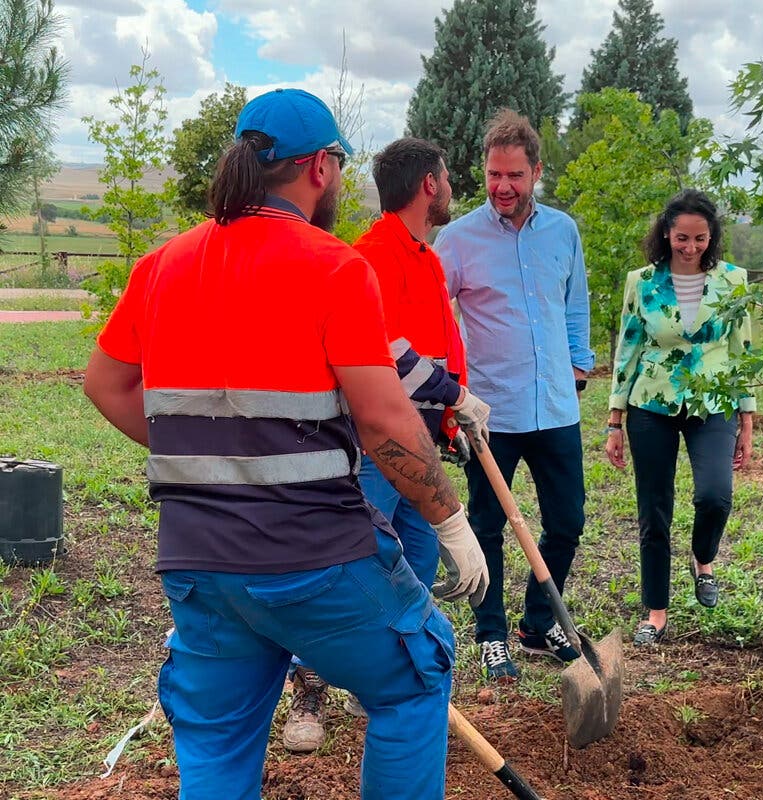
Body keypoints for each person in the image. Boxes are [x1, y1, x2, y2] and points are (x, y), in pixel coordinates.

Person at [82, 88, 489, 800]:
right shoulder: (332, 266)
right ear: (321, 169)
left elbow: (107, 385)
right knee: (416, 673)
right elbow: (386, 421)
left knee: (215, 733)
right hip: (314, 562)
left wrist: (211, 463)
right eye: (336, 164)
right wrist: (451, 523)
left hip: (198, 567)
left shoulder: (161, 266)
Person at [280, 137, 484, 752]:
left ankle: (403, 694)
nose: (450, 188)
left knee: (414, 573)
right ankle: (308, 690)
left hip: (423, 442)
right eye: (447, 177)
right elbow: (388, 355)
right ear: (429, 184)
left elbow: (440, 344)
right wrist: (453, 393)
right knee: (345, 563)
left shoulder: (426, 257)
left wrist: (453, 414)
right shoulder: (369, 257)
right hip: (375, 446)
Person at [434, 109, 595, 681]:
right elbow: (434, 318)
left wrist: (579, 366)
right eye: (493, 175)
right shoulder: (456, 240)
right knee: (486, 525)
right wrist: (449, 392)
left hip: (555, 407)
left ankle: (534, 624)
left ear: (536, 173)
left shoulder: (563, 231)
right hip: (490, 413)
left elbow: (575, 305)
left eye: (515, 176)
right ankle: (492, 634)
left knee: (567, 521)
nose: (502, 187)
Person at [603, 188, 755, 646]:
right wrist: (615, 420)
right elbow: (628, 347)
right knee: (654, 512)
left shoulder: (734, 281)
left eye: (700, 239)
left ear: (713, 238)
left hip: (714, 404)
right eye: (682, 238)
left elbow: (741, 351)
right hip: (653, 405)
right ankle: (656, 611)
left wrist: (747, 420)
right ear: (666, 234)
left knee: (715, 496)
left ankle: (702, 559)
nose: (691, 248)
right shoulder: (643, 281)